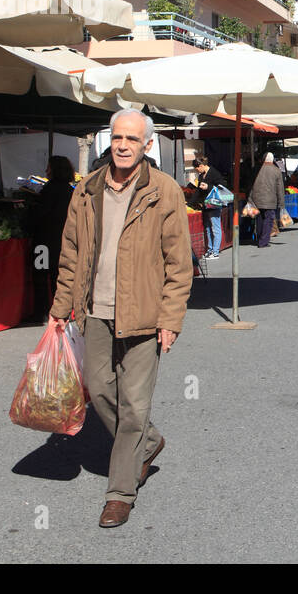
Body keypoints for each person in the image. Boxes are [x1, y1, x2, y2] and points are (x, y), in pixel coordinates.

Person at [46, 109, 192, 529]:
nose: (123, 145)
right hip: (94, 312)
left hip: (145, 317)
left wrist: (171, 318)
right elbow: (70, 254)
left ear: (148, 145)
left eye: (132, 139)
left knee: (133, 407)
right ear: (109, 141)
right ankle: (150, 442)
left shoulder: (164, 192)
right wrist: (60, 310)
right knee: (99, 391)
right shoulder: (86, 190)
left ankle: (119, 493)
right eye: (118, 138)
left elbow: (178, 264)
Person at [27, 155, 76, 313]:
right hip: (62, 241)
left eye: (48, 168)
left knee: (41, 277)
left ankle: (41, 311)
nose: (46, 171)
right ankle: (61, 309)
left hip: (44, 242)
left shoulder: (49, 190)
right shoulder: (70, 190)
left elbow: (41, 214)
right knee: (58, 276)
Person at [191, 155, 228, 260]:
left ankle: (215, 252)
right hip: (205, 205)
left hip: (214, 203)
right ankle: (210, 249)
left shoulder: (214, 173)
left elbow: (222, 186)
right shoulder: (201, 175)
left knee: (215, 227)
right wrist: (190, 203)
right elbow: (198, 191)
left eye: (197, 168)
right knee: (208, 228)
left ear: (201, 165)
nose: (197, 170)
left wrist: (209, 187)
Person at [249, 152, 284, 247]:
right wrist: (281, 203)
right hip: (270, 200)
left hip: (256, 198)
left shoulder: (256, 169)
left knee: (259, 219)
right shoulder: (276, 171)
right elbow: (280, 188)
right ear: (272, 160)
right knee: (268, 219)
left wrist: (250, 197)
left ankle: (260, 238)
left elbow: (250, 184)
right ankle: (263, 241)